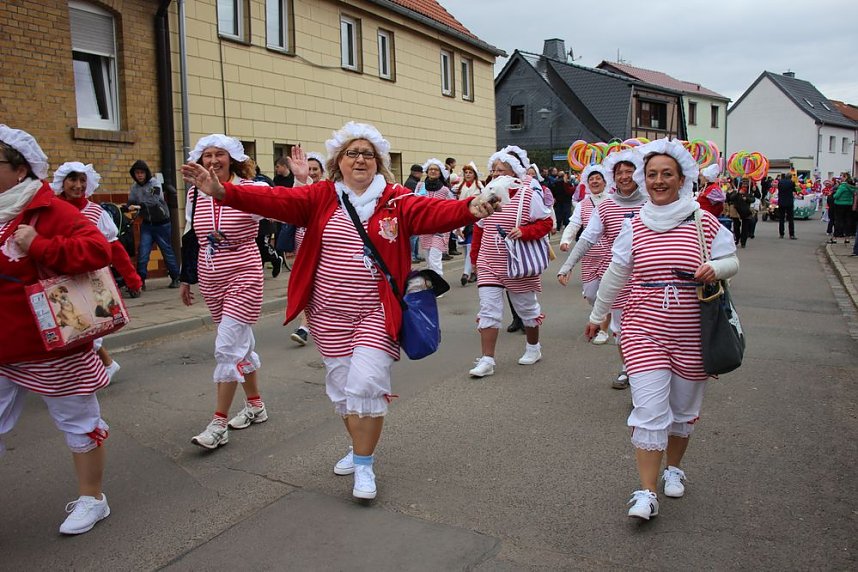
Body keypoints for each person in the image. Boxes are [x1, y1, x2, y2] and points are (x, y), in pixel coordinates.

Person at [181, 121, 499, 501]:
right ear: (339, 162)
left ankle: (364, 467)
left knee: (366, 386)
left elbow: (436, 212)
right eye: (352, 153)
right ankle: (360, 447)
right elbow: (273, 202)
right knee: (345, 392)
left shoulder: (396, 199)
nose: (360, 158)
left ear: (378, 162)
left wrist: (474, 207)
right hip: (327, 315)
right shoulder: (320, 196)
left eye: (368, 153)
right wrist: (222, 192)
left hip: (375, 312)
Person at [584, 138, 739, 520]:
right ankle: (646, 492)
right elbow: (617, 272)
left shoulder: (703, 220)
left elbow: (731, 260)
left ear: (681, 177)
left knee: (682, 412)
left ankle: (674, 467)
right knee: (650, 410)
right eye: (651, 174)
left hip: (693, 331)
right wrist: (597, 314)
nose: (657, 180)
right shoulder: (634, 224)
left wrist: (715, 269)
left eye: (666, 173)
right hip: (643, 328)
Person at [0, 125, 113, 534]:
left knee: (78, 422)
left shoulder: (50, 210)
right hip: (2, 344)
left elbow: (99, 251)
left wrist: (40, 247)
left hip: (51, 342)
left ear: (19, 170)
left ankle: (92, 499)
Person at [179, 135, 270, 450]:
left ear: (232, 159)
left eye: (219, 155)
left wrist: (300, 181)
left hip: (244, 272)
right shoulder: (194, 193)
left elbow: (288, 207)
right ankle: (256, 405)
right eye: (207, 155)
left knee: (227, 347)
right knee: (239, 345)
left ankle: (218, 424)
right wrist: (186, 278)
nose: (213, 160)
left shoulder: (250, 189)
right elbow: (193, 237)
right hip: (210, 276)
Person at [557, 149, 647, 388]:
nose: (625, 176)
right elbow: (587, 237)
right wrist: (567, 266)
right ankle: (628, 370)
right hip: (618, 277)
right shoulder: (606, 207)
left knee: (648, 332)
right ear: (613, 177)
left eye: (630, 171)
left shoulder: (652, 202)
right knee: (623, 330)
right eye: (620, 172)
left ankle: (653, 376)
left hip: (650, 279)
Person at [51, 161, 143, 382]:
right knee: (71, 329)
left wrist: (132, 278)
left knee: (85, 328)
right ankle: (102, 367)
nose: (78, 185)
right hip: (59, 281)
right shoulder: (52, 210)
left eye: (82, 180)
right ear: (62, 182)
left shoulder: (95, 212)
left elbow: (114, 248)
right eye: (73, 179)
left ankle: (93, 373)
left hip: (90, 280)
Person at [468, 145, 553, 378]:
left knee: (527, 309)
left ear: (514, 173)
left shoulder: (529, 194)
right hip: (489, 261)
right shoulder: (487, 193)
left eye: (502, 170)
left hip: (518, 264)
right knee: (488, 309)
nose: (496, 174)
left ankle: (534, 348)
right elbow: (478, 228)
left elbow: (546, 223)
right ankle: (487, 360)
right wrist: (474, 259)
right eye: (494, 170)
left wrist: (524, 232)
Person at [557, 164, 612, 344]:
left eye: (598, 178)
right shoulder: (582, 205)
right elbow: (574, 225)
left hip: (610, 256)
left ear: (605, 182)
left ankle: (603, 329)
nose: (595, 181)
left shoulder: (613, 201)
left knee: (607, 292)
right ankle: (600, 313)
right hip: (589, 256)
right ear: (587, 183)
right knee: (590, 294)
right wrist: (566, 240)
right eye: (591, 179)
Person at [125, 160, 180, 288]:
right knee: (143, 252)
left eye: (142, 173)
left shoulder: (154, 183)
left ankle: (175, 277)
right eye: (137, 173)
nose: (139, 175)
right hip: (147, 224)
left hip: (162, 224)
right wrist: (126, 207)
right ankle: (141, 280)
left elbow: (154, 200)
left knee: (167, 251)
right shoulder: (134, 188)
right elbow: (131, 201)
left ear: (146, 173)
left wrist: (139, 206)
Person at [290, 152, 326, 346]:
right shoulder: (300, 187)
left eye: (315, 169)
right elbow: (291, 206)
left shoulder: (327, 191)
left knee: (316, 286)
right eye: (309, 169)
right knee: (305, 284)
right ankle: (308, 325)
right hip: (301, 243)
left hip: (322, 245)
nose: (311, 172)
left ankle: (305, 327)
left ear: (321, 172)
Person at [417, 159, 453, 277]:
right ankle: (432, 284)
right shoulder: (420, 186)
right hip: (425, 227)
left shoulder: (444, 190)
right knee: (428, 260)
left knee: (435, 258)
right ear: (426, 172)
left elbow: (453, 207)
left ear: (440, 173)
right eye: (430, 169)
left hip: (440, 228)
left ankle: (439, 287)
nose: (433, 171)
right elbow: (413, 202)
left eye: (436, 170)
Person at [454, 161, 483, 286]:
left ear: (475, 174)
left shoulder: (480, 187)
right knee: (466, 247)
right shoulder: (459, 187)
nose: (468, 174)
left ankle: (465, 273)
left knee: (471, 246)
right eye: (466, 172)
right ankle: (473, 271)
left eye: (470, 172)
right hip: (462, 218)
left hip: (475, 219)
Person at [726, 181, 755, 248]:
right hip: (737, 212)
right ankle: (737, 238)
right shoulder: (736, 192)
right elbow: (731, 198)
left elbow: (753, 199)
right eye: (743, 184)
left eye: (746, 184)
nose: (744, 185)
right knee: (736, 227)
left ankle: (743, 242)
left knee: (745, 228)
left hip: (746, 212)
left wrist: (747, 198)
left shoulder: (749, 192)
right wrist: (738, 193)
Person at [404, 164, 424, 262]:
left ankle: (415, 254)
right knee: (413, 236)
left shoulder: (412, 181)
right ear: (417, 173)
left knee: (416, 236)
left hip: (413, 210)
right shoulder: (412, 183)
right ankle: (412, 255)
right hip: (412, 211)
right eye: (421, 173)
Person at [831, 176, 856, 244]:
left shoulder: (842, 187)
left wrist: (834, 194)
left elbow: (836, 196)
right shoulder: (852, 187)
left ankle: (835, 238)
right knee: (848, 221)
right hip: (849, 204)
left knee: (838, 221)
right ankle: (847, 238)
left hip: (839, 205)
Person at [776, 173, 797, 239]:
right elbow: (794, 190)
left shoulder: (780, 182)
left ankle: (781, 234)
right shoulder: (791, 182)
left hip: (781, 202)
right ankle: (791, 234)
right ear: (790, 177)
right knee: (790, 219)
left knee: (781, 219)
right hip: (789, 202)